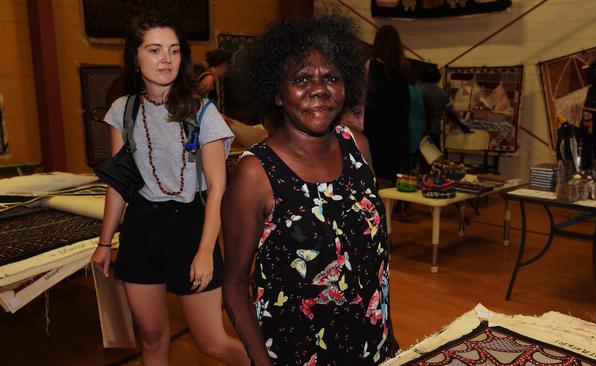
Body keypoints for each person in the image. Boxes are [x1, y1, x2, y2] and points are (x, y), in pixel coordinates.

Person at [222, 15, 398, 365]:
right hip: (297, 354)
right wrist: (260, 360)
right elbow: (234, 285)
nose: (319, 89)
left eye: (331, 77)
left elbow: (374, 265)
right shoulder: (257, 173)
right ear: (276, 92)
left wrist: (388, 340)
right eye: (301, 79)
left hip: (370, 349)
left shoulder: (358, 148)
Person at [90, 12, 248, 365]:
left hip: (191, 228)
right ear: (135, 57)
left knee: (212, 343)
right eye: (155, 50)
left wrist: (206, 250)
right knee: (151, 337)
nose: (166, 59)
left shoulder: (202, 112)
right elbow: (120, 183)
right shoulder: (123, 110)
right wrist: (104, 243)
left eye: (174, 51)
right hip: (141, 230)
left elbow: (218, 189)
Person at [363, 24, 410, 188]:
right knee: (389, 183)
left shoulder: (370, 67)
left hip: (373, 132)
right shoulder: (401, 72)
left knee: (370, 179)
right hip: (395, 135)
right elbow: (404, 110)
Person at [419, 65, 471, 149]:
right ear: (437, 79)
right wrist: (462, 126)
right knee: (432, 159)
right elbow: (451, 114)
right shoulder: (442, 93)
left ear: (421, 78)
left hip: (415, 132)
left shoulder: (414, 90)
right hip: (433, 132)